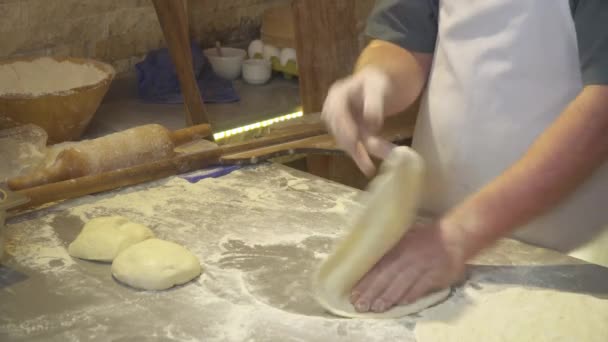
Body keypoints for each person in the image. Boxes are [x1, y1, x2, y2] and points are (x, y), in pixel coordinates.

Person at [321, 0, 608, 314]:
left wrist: (459, 235)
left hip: (563, 252)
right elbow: (406, 37)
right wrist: (377, 80)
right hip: (431, 236)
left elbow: (602, 112)